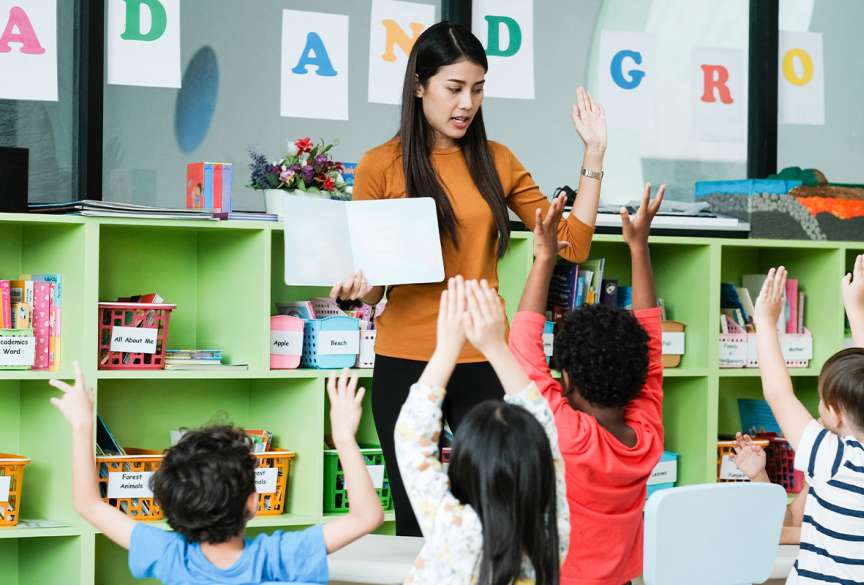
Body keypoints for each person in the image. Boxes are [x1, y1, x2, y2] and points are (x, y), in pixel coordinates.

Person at [331, 21, 606, 535]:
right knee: (417, 515)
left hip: (483, 354)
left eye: (477, 89)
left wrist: (593, 155)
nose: (467, 104)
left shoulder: (496, 160)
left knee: (503, 508)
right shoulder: (379, 166)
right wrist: (355, 291)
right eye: (454, 88)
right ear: (419, 85)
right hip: (406, 357)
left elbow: (573, 243)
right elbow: (374, 286)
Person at [49, 363, 383, 584]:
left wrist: (81, 426)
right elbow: (367, 516)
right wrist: (342, 437)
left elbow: (88, 504)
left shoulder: (168, 556)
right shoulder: (279, 557)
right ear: (252, 503)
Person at [507, 184, 667, 585]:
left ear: (567, 378)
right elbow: (651, 347)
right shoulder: (646, 437)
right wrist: (639, 248)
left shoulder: (570, 436)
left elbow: (524, 348)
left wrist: (544, 257)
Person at [751, 255, 864, 584]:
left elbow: (779, 394)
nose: (818, 406)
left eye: (823, 400)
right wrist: (857, 310)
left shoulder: (836, 460)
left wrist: (765, 324)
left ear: (838, 414)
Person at [394, 276, 569, 584]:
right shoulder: (551, 533)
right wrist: (496, 347)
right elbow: (547, 433)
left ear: (462, 466)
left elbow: (412, 437)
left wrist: (447, 348)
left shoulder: (455, 531)